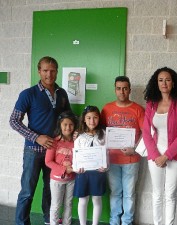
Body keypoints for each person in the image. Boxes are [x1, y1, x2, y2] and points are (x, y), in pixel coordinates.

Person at [9, 56, 71, 225]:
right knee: (27, 191)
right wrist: (37, 137)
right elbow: (14, 121)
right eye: (45, 70)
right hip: (33, 151)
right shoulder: (28, 94)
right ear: (39, 71)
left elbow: (68, 118)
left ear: (57, 71)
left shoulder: (62, 93)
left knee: (51, 189)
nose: (49, 74)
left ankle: (48, 220)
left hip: (56, 153)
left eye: (52, 71)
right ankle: (21, 223)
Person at [143, 67, 177, 225]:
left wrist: (166, 156)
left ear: (173, 83)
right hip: (155, 156)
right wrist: (156, 156)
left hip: (176, 157)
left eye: (167, 79)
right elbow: (146, 133)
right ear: (156, 83)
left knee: (170, 194)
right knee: (157, 194)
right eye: (160, 80)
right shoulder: (151, 104)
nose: (164, 83)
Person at [100, 76, 144, 225]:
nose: (122, 91)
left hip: (131, 160)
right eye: (119, 88)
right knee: (115, 192)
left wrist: (135, 149)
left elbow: (146, 133)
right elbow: (99, 131)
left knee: (129, 194)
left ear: (129, 90)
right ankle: (114, 221)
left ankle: (127, 222)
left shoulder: (138, 109)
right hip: (112, 159)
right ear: (115, 90)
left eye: (125, 88)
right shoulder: (107, 108)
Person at [73, 105, 107, 225]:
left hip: (98, 172)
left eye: (95, 117)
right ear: (84, 119)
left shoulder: (103, 134)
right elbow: (76, 155)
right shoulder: (79, 136)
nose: (92, 121)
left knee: (97, 199)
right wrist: (76, 168)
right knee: (83, 200)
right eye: (88, 118)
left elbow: (107, 153)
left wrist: (105, 166)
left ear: (99, 118)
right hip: (83, 173)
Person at [45, 111, 78, 225]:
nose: (68, 127)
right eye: (65, 124)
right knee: (56, 205)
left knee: (68, 204)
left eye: (71, 125)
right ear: (60, 125)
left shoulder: (77, 142)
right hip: (56, 180)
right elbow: (48, 161)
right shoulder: (54, 142)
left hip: (71, 179)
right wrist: (64, 169)